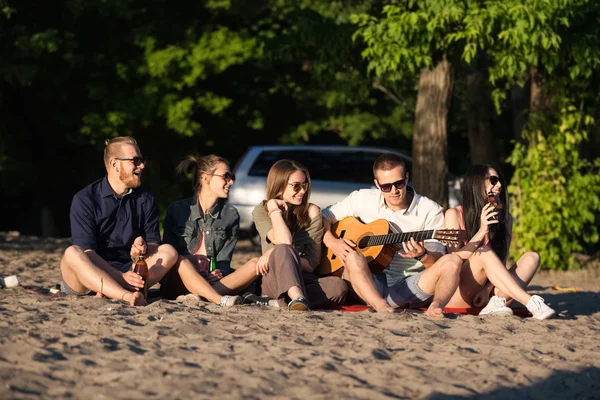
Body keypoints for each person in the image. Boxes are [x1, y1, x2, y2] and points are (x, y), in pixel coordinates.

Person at [322, 153, 463, 318]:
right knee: (353, 257)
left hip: (409, 285)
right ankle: (380, 305)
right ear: (377, 184)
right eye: (386, 187)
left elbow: (437, 260)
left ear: (407, 178)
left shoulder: (429, 209)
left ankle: (436, 306)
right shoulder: (362, 198)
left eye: (399, 184)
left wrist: (423, 255)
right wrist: (332, 242)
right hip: (367, 284)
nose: (394, 191)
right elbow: (323, 216)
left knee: (453, 260)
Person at [60, 136, 178, 306]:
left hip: (129, 272)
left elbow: (154, 245)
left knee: (168, 252)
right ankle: (125, 295)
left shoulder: (146, 199)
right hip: (89, 276)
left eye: (142, 160)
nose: (142, 166)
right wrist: (119, 277)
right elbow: (87, 252)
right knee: (72, 253)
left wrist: (141, 252)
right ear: (115, 164)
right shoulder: (85, 199)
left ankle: (114, 291)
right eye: (136, 161)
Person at [444, 164, 555, 320]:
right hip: (460, 292)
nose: (500, 185)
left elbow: (501, 263)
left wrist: (487, 289)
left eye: (500, 180)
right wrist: (482, 230)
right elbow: (452, 262)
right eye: (494, 180)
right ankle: (530, 301)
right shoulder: (454, 214)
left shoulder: (505, 218)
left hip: (491, 295)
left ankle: (496, 302)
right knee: (484, 252)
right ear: (476, 183)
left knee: (532, 258)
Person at [161, 155, 263, 307]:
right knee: (181, 262)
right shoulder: (177, 210)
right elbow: (168, 255)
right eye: (226, 176)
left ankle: (201, 295)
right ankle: (216, 298)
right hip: (180, 279)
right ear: (205, 178)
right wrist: (192, 262)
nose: (231, 181)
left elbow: (223, 261)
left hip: (213, 281)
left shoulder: (230, 214)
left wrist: (218, 273)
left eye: (232, 176)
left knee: (256, 263)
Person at [252, 159, 348, 311]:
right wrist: (274, 209)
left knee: (338, 287)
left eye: (305, 185)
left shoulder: (312, 212)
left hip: (304, 278)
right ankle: (298, 298)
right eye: (296, 186)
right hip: (274, 278)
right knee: (283, 248)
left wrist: (275, 253)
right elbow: (284, 240)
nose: (302, 191)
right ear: (279, 185)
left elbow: (311, 264)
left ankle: (278, 303)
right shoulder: (262, 211)